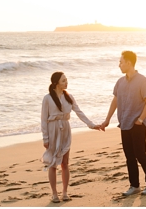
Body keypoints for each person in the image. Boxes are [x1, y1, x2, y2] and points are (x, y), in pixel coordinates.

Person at [41, 71, 104, 203]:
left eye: (66, 80)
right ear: (56, 83)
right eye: (63, 80)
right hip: (53, 130)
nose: (66, 82)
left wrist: (92, 125)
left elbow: (79, 112)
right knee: (53, 164)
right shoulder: (47, 98)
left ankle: (64, 192)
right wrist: (45, 138)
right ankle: (54, 194)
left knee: (65, 163)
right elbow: (43, 119)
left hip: (65, 129)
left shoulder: (69, 96)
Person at [101, 51, 146, 196]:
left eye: (121, 62)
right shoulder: (120, 82)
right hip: (124, 123)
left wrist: (140, 119)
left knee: (140, 154)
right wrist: (107, 120)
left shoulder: (143, 81)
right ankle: (134, 185)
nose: (119, 64)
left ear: (129, 63)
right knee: (129, 156)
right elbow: (115, 101)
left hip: (137, 125)